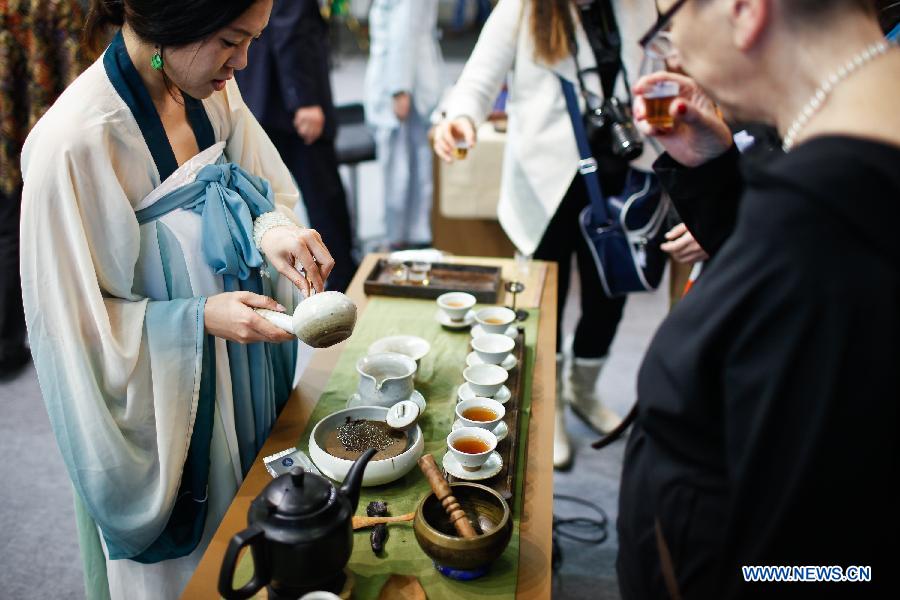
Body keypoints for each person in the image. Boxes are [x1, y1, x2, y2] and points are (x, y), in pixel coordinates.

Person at [20, 1, 337, 598]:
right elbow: (71, 328)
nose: (243, 62)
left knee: (253, 521)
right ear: (175, 22)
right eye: (230, 40)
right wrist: (198, 319)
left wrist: (274, 233)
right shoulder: (75, 142)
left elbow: (258, 184)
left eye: (254, 39)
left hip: (239, 368)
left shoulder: (211, 85)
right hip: (170, 400)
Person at [617, 1, 900, 597]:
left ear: (744, 10)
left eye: (669, 25)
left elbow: (816, 565)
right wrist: (717, 169)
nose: (673, 54)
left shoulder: (824, 227)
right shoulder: (841, 156)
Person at [433, 0, 657, 469]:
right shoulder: (523, 8)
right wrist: (460, 119)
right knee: (542, 306)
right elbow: (477, 81)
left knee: (608, 296)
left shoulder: (637, 5)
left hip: (619, 179)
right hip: (548, 184)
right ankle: (548, 404)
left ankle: (584, 391)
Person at [236, 0, 357, 291]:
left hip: (271, 98)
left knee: (277, 195)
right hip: (289, 107)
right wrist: (304, 100)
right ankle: (339, 282)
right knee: (323, 199)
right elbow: (290, 27)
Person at [0, 0, 91, 378]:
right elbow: (75, 73)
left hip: (16, 119)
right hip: (32, 126)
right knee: (15, 229)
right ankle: (6, 343)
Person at [364, 0, 445, 249]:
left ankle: (400, 238)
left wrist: (400, 88)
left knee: (400, 169)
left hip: (401, 80)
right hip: (411, 74)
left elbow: (403, 29)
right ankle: (409, 234)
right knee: (410, 166)